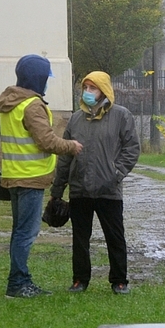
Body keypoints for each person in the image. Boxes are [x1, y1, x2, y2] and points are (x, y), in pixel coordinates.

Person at [0, 54, 83, 298]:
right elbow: (46, 141)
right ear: (38, 78)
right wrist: (71, 146)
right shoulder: (32, 105)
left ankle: (18, 280)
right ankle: (18, 283)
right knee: (26, 233)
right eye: (45, 78)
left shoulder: (8, 101)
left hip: (12, 175)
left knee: (19, 230)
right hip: (31, 178)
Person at [51, 71, 140, 294]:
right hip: (80, 188)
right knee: (80, 238)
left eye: (93, 88)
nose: (88, 92)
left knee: (115, 236)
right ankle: (80, 280)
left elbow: (131, 149)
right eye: (85, 87)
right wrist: (57, 189)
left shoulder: (121, 116)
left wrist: (115, 174)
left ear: (104, 90)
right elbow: (66, 156)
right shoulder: (76, 119)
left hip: (108, 190)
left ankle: (119, 280)